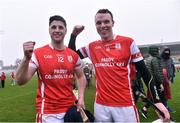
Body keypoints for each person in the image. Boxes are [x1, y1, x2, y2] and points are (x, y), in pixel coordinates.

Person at [68, 9, 170, 122]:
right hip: (101, 106)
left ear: (113, 23)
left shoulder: (128, 42)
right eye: (98, 23)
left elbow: (145, 73)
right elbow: (71, 56)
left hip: (125, 105)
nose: (102, 25)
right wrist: (73, 35)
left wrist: (158, 101)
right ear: (95, 25)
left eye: (106, 21)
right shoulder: (91, 47)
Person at [15, 15, 87, 122]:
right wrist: (26, 58)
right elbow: (20, 81)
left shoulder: (73, 55)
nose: (57, 30)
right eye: (54, 27)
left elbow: (81, 77)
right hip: (48, 113)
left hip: (70, 111)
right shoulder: (38, 53)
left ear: (66, 30)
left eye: (60, 27)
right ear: (49, 30)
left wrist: (81, 97)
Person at [139, 46, 165, 119]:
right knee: (156, 97)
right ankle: (144, 109)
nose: (159, 51)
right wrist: (160, 83)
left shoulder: (148, 59)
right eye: (158, 49)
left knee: (154, 97)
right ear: (155, 50)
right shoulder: (155, 59)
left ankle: (158, 110)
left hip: (150, 80)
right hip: (155, 81)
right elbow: (157, 72)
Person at [160, 46, 176, 113]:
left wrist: (172, 77)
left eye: (168, 52)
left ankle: (164, 107)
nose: (167, 53)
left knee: (166, 94)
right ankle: (164, 108)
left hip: (167, 79)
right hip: (160, 80)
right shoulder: (159, 59)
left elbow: (172, 68)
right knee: (161, 94)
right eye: (165, 52)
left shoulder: (170, 59)